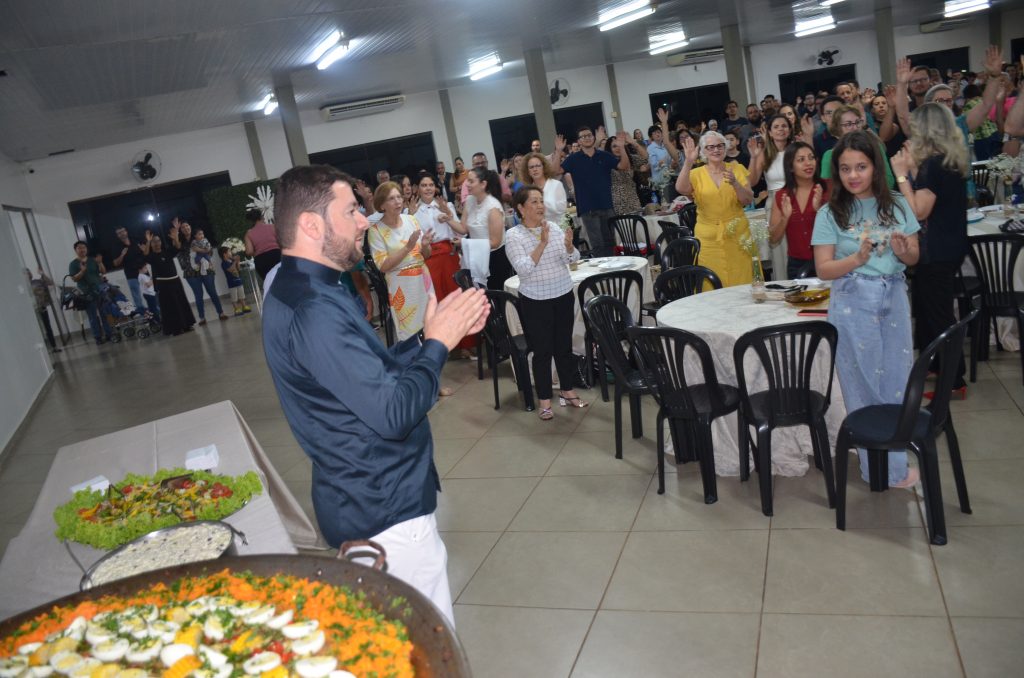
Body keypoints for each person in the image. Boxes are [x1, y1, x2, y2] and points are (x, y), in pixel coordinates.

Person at [262, 165, 488, 626]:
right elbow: (393, 412)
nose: (364, 220)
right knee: (425, 647)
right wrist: (439, 345)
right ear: (311, 224)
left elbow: (362, 375)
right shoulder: (313, 308)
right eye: (350, 211)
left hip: (364, 495)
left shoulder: (304, 286)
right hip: (385, 510)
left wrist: (425, 338)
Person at [811, 130, 921, 488]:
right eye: (845, 169)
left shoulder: (899, 205)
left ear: (875, 167)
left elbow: (914, 257)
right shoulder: (830, 213)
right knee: (862, 385)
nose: (853, 175)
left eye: (861, 166)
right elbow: (824, 269)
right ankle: (879, 471)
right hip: (851, 301)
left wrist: (903, 249)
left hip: (894, 299)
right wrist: (856, 259)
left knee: (895, 381)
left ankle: (891, 467)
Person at [890, 102, 970, 398]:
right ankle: (936, 365)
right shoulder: (947, 160)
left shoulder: (935, 164)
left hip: (937, 251)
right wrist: (912, 170)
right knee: (926, 311)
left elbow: (919, 211)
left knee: (938, 317)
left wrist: (900, 174)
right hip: (947, 247)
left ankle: (954, 381)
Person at [505, 186, 587, 420]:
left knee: (563, 347)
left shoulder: (552, 227)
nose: (540, 206)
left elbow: (571, 260)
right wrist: (541, 243)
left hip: (562, 294)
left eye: (541, 201)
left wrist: (570, 247)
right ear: (521, 208)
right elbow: (523, 269)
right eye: (534, 202)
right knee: (542, 351)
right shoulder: (514, 236)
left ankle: (567, 391)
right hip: (535, 301)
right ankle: (544, 400)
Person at [675, 131, 755, 286]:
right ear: (703, 151)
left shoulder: (736, 168)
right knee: (712, 285)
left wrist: (735, 184)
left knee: (743, 284)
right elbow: (681, 188)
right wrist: (689, 161)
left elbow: (747, 199)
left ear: (725, 148)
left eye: (720, 146)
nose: (716, 150)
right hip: (709, 240)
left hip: (738, 236)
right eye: (710, 147)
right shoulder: (696, 173)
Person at [412, 172, 475, 358]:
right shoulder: (412, 212)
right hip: (428, 257)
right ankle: (442, 348)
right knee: (436, 302)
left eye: (431, 184)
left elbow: (461, 233)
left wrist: (448, 215)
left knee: (456, 298)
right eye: (424, 185)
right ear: (417, 189)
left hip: (449, 255)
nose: (428, 188)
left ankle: (466, 345)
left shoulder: (445, 205)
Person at [368, 181, 436, 341]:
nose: (398, 201)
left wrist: (425, 245)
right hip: (401, 285)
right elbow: (383, 266)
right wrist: (407, 247)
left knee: (431, 326)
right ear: (382, 205)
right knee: (410, 332)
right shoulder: (376, 230)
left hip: (423, 279)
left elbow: (426, 255)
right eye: (392, 198)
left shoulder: (411, 220)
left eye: (399, 197)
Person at [561, 126, 631, 256]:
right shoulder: (573, 159)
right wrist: (559, 150)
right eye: (583, 136)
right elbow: (556, 171)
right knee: (597, 244)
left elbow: (624, 166)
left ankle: (615, 272)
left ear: (593, 137)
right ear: (579, 141)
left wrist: (622, 147)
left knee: (611, 242)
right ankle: (603, 275)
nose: (587, 138)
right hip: (588, 208)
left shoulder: (604, 155)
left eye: (589, 135)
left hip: (607, 205)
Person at [769, 142, 828, 279]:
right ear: (790, 166)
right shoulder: (782, 196)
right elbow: (773, 238)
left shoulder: (828, 188)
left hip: (828, 259)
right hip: (796, 265)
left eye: (811, 158)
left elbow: (842, 229)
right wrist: (785, 218)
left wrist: (820, 210)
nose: (808, 163)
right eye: (801, 160)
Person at [170, 218, 229, 325]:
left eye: (187, 226)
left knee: (212, 291)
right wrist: (176, 232)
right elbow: (177, 246)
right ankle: (202, 318)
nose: (185, 228)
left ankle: (221, 313)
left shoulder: (198, 236)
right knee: (198, 295)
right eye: (183, 227)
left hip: (206, 268)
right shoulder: (180, 240)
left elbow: (209, 250)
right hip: (190, 272)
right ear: (181, 230)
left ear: (190, 227)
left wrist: (204, 252)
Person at [462, 167, 513, 289]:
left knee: (496, 294)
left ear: (483, 184)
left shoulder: (493, 207)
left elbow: (495, 242)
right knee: (482, 295)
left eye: (471, 181)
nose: (467, 184)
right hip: (478, 254)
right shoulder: (470, 200)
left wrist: (466, 243)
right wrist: (447, 217)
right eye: (467, 181)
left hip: (495, 258)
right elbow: (463, 228)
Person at [820, 106, 895, 188]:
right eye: (848, 124)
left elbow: (889, 180)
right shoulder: (830, 155)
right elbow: (828, 190)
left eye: (857, 122)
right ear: (838, 129)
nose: (855, 128)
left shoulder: (876, 147)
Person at [143, 232, 196, 336]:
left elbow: (178, 247)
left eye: (158, 241)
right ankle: (175, 329)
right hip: (163, 284)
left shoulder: (167, 252)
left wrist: (175, 237)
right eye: (154, 242)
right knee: (170, 307)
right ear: (152, 244)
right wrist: (148, 241)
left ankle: (186, 325)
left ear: (161, 242)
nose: (157, 243)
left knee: (181, 303)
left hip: (175, 281)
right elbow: (145, 255)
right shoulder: (152, 256)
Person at [68, 240, 112, 345]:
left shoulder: (92, 260)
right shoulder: (73, 264)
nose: (82, 249)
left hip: (99, 290)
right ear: (75, 250)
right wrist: (82, 271)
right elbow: (74, 279)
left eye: (84, 247)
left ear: (86, 249)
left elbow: (103, 272)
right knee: (93, 316)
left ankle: (109, 334)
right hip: (86, 293)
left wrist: (100, 262)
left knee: (104, 313)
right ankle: (98, 337)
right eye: (79, 248)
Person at [519, 152, 567, 224]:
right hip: (537, 230)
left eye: (538, 166)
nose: (535, 169)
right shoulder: (527, 190)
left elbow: (562, 209)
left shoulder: (556, 184)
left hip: (557, 229)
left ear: (543, 168)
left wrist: (541, 202)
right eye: (531, 167)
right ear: (528, 172)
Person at [604, 135, 645, 215]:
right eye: (614, 146)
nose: (618, 148)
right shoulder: (608, 161)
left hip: (633, 199)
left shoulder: (631, 158)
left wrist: (634, 143)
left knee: (638, 225)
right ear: (610, 149)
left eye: (620, 145)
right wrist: (622, 148)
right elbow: (623, 166)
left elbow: (645, 158)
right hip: (618, 202)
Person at [112, 227, 147, 312]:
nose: (122, 234)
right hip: (131, 274)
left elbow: (147, 253)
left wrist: (145, 250)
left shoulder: (136, 240)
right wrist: (122, 255)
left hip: (144, 271)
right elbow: (115, 263)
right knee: (137, 298)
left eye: (122, 231)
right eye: (119, 233)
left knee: (151, 293)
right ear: (117, 235)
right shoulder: (116, 247)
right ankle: (145, 316)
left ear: (126, 231)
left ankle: (158, 314)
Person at [26, 268, 61, 353]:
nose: (28, 275)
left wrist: (42, 274)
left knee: (48, 327)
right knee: (39, 330)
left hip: (41, 308)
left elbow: (50, 283)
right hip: (32, 312)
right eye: (26, 274)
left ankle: (54, 346)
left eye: (29, 272)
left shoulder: (37, 282)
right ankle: (44, 350)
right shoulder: (24, 287)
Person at [244, 209, 282, 279]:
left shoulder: (249, 233)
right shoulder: (272, 227)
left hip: (261, 260)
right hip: (276, 255)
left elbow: (249, 251)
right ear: (261, 217)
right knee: (282, 278)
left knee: (269, 282)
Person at [219, 246, 249, 316]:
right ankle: (236, 309)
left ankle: (244, 306)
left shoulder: (232, 261)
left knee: (241, 295)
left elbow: (238, 269)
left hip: (238, 281)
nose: (231, 253)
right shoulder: (224, 263)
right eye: (229, 251)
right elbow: (231, 269)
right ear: (224, 254)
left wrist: (237, 261)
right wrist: (235, 261)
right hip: (232, 283)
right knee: (234, 297)